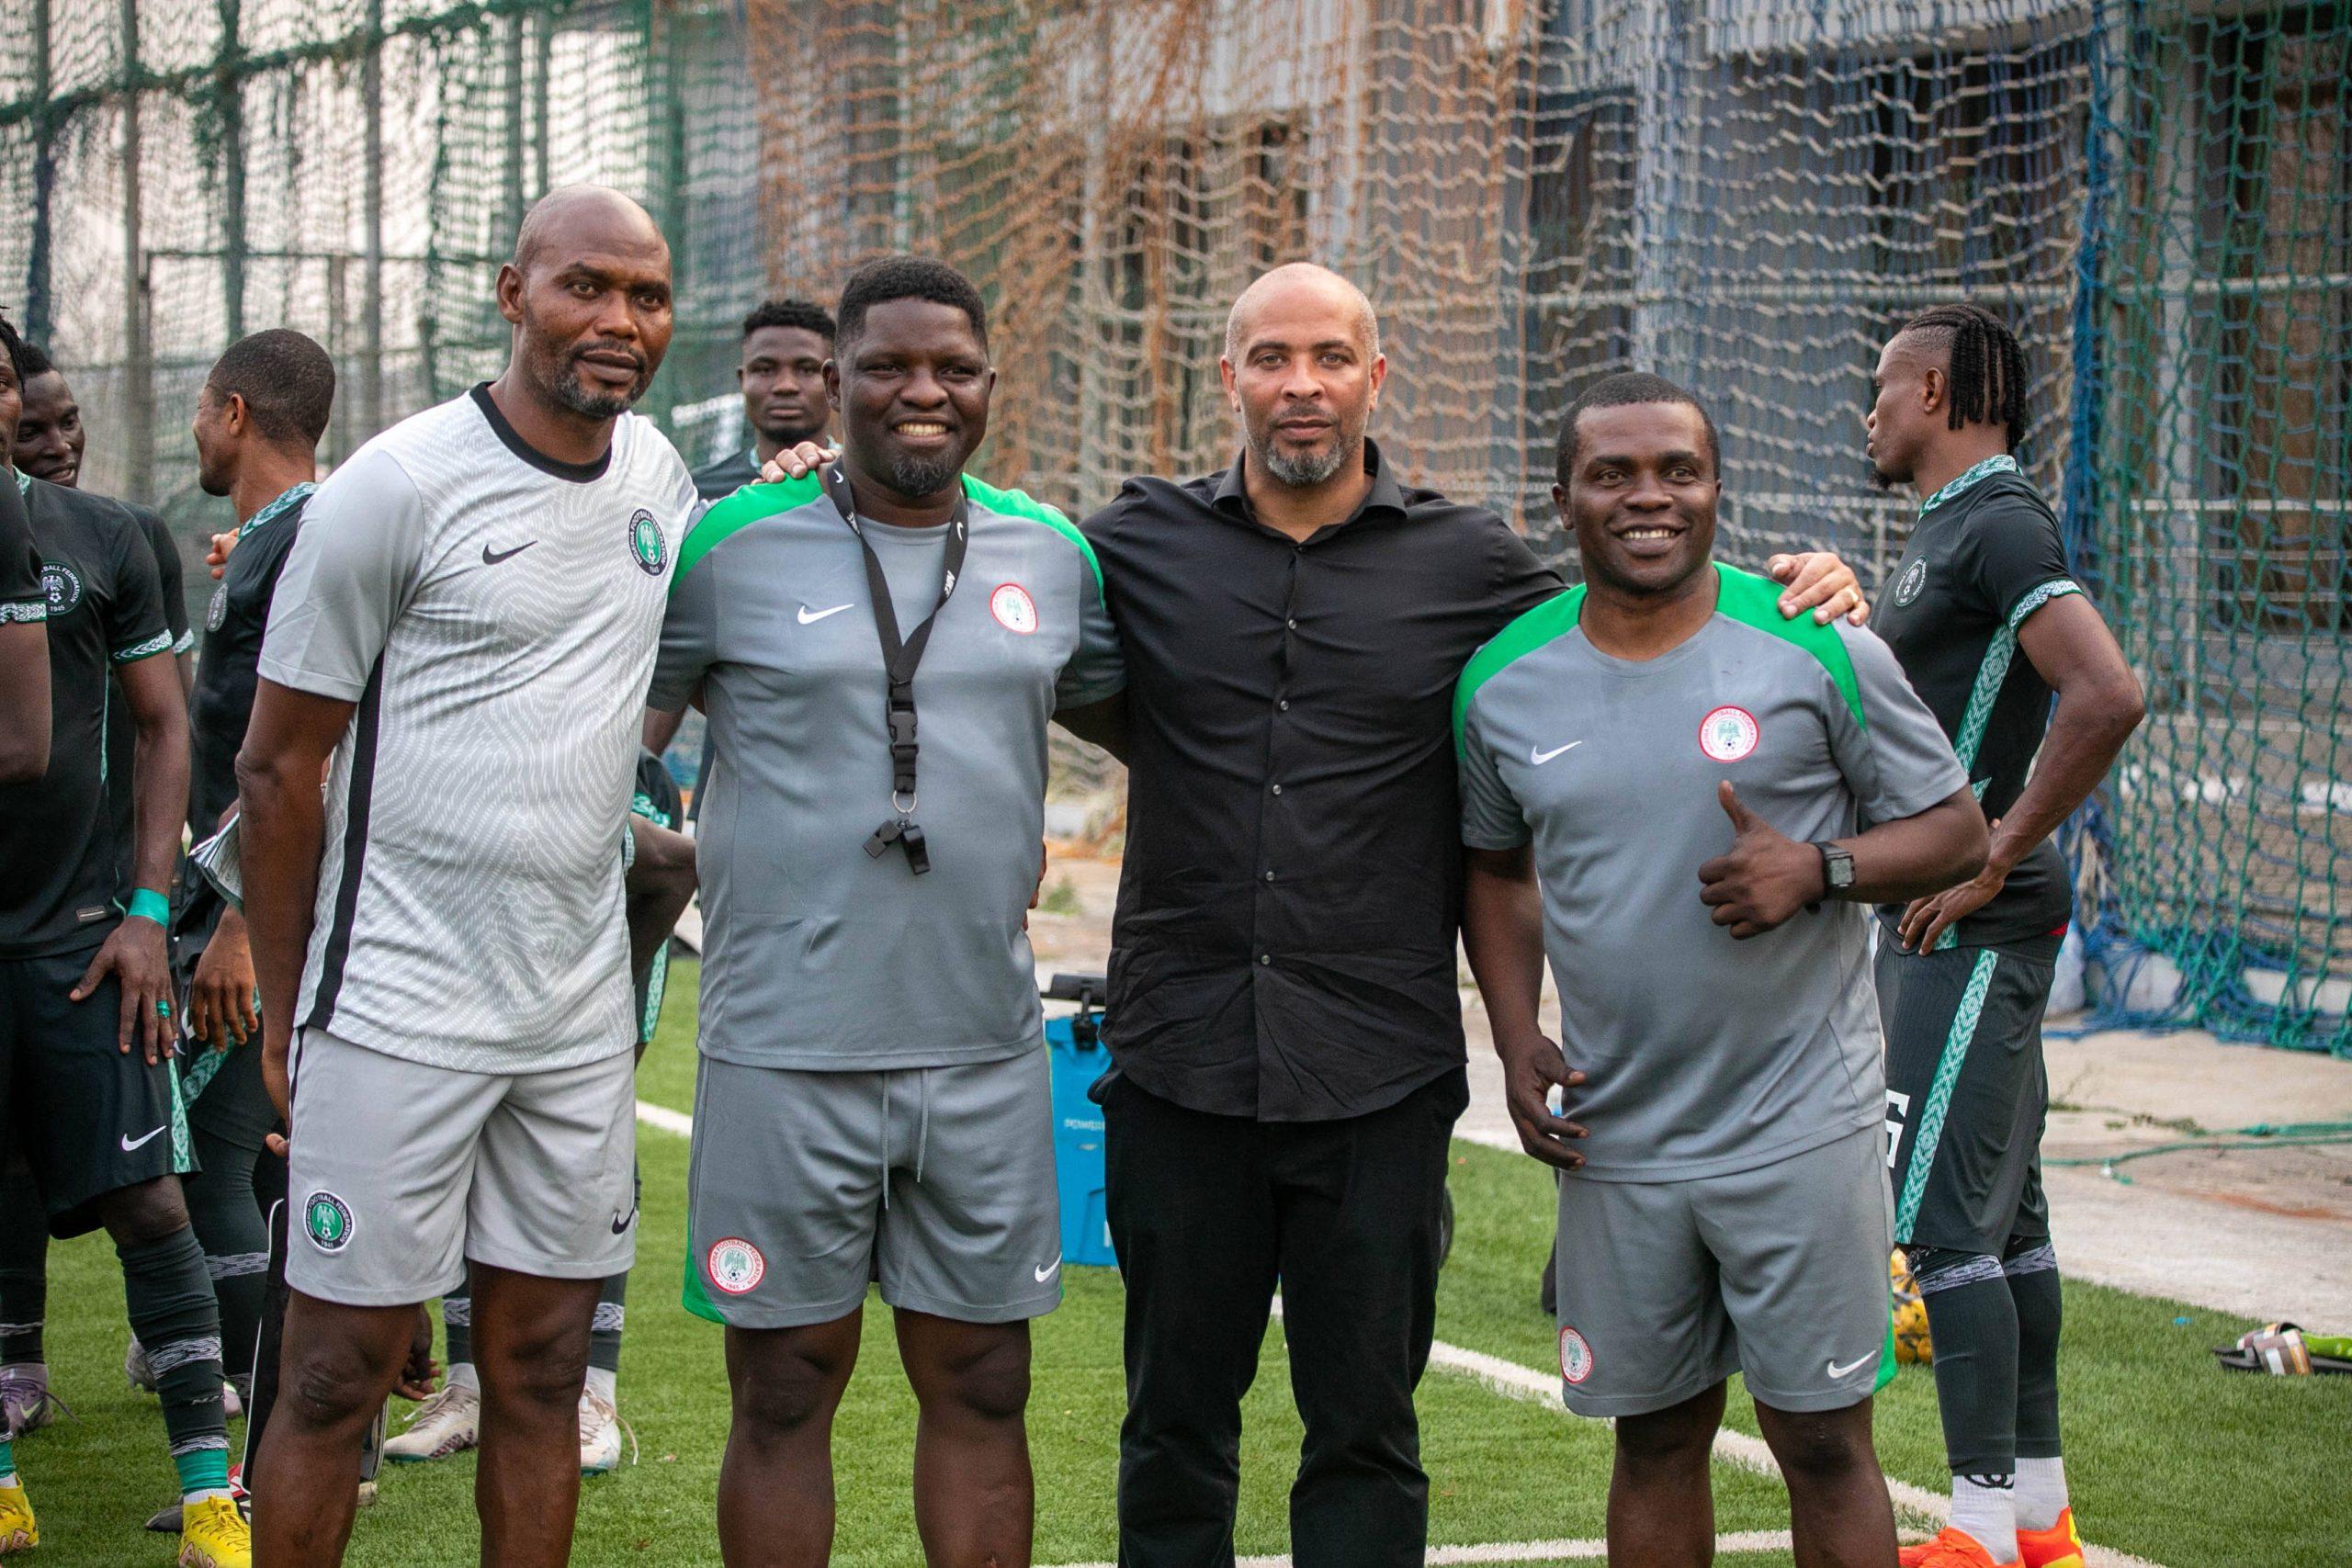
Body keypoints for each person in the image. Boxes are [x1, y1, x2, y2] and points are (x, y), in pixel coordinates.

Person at [757, 262, 1869, 1567]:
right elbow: (961, 546)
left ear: (1375, 379)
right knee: (1174, 1423)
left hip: (1377, 1071)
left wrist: (1806, 582)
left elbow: (1634, 597)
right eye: (1272, 357)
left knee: (1366, 1427)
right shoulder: (1129, 544)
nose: (1302, 385)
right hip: (1179, 1063)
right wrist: (819, 484)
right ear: (1228, 377)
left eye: (1331, 357)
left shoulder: (1471, 565)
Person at [237, 185, 698, 1568]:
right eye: (586, 286)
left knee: (546, 1366)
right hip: (394, 999)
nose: (618, 319)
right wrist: (281, 1004)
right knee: (337, 1369)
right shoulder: (398, 483)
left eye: (648, 295)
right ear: (513, 294)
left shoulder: (664, 482)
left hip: (569, 1019)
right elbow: (277, 767)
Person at [1458, 371, 1989, 1568]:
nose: (1649, 497)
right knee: (1652, 1436)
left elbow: (1959, 831)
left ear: (1716, 490)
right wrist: (1511, 1030)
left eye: (1677, 471)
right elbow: (1493, 868)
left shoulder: (1816, 643)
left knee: (1822, 1440)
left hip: (1801, 1115)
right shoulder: (1500, 682)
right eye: (1614, 474)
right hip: (1618, 1129)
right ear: (1563, 499)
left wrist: (1824, 867)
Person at [651, 254, 1123, 1568]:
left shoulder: (1053, 553)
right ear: (833, 386)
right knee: (788, 1385)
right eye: (889, 367)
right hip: (782, 1046)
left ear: (987, 384)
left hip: (980, 1045)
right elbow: (618, 739)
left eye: (953, 368)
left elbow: (1161, 720)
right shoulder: (728, 547)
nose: (924, 391)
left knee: (983, 1381)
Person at [1864, 307, 2143, 1568]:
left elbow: (2108, 689)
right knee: (2009, 1221)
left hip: (1971, 929)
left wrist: (1997, 848)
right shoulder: (1950, 529)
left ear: (1933, 388)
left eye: (1882, 388)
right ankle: (2039, 1517)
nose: (1869, 411)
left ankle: (1975, 1524)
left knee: (1939, 1226)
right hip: (1948, 920)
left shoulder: (2001, 519)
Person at [0, 308, 246, 1566]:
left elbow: (163, 728)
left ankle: (211, 1499)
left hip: (85, 940)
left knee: (154, 1199)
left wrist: (152, 909)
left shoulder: (108, 539)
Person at [386, 748, 694, 1475]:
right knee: (477, 1127)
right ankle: (467, 1389)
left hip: (605, 788)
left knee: (596, 1128)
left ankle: (594, 1396)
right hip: (486, 842)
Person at [157, 331, 337, 1443]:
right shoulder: (273, 541)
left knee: (217, 1160)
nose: (192, 430)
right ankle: (306, 1427)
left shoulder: (308, 537)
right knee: (260, 1161)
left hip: (268, 908)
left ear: (233, 412)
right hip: (252, 894)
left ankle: (276, 1432)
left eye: (197, 409)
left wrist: (236, 919)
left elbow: (309, 748)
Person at [689, 298, 836, 502]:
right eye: (766, 370)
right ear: (742, 380)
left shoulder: (867, 488)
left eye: (806, 369)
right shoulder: (698, 495)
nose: (786, 386)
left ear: (834, 382)